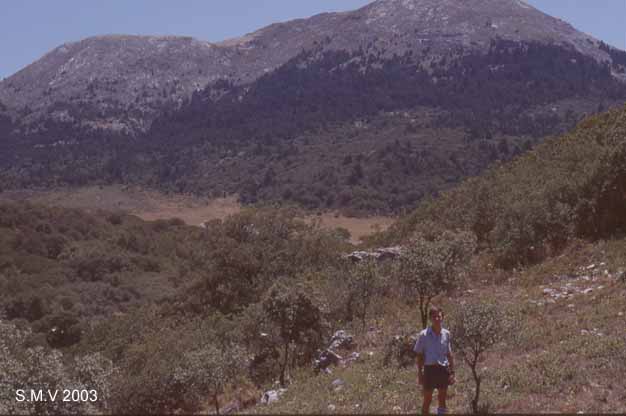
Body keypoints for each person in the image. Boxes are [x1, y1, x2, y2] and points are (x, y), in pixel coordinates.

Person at [414, 305, 455, 415]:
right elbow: (419, 355)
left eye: (439, 316)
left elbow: (449, 354)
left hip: (443, 369)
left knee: (442, 399)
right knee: (427, 400)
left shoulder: (446, 334)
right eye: (434, 317)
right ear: (430, 318)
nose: (437, 319)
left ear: (442, 318)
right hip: (429, 370)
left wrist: (452, 372)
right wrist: (420, 373)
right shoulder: (423, 335)